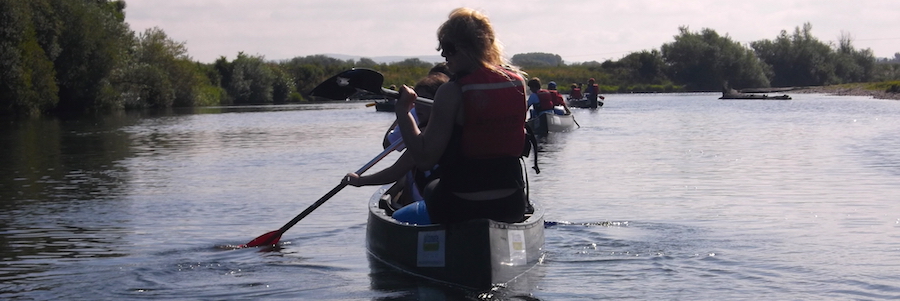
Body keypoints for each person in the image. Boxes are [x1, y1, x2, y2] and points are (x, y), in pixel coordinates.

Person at [388, 7, 531, 224]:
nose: (444, 55)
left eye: (448, 47)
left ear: (468, 47)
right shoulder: (517, 82)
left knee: (430, 188)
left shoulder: (451, 91)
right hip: (511, 204)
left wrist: (403, 112)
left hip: (462, 205)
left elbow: (425, 159)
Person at [345, 73, 449, 224]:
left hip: (435, 206)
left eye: (423, 99)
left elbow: (395, 172)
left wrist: (359, 181)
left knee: (397, 218)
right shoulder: (453, 124)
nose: (418, 105)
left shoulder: (431, 133)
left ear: (438, 102)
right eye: (416, 100)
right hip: (445, 202)